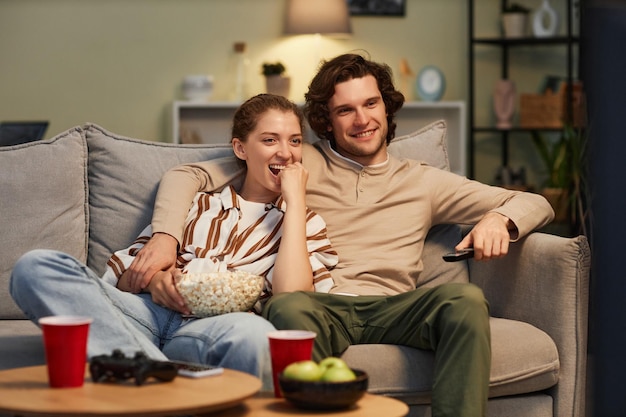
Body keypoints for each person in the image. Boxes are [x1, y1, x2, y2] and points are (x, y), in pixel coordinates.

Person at [126, 54, 554, 417]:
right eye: (345, 110)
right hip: (320, 304)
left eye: (371, 104)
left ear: (387, 108)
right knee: (288, 306)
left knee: (464, 300)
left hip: (395, 308)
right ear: (326, 121)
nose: (362, 119)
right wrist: (165, 236)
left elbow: (535, 202)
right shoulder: (297, 157)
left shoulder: (426, 181)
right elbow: (190, 174)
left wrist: (501, 221)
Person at [10, 93, 337, 391]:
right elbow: (124, 273)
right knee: (35, 266)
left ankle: (144, 374)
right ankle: (158, 371)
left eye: (295, 140)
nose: (286, 151)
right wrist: (155, 282)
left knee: (256, 338)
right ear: (240, 148)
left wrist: (294, 203)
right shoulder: (196, 203)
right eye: (270, 140)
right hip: (144, 314)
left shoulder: (306, 223)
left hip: (217, 328)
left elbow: (294, 296)